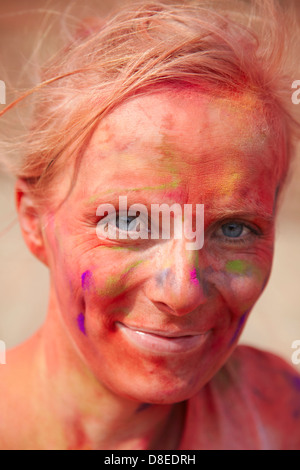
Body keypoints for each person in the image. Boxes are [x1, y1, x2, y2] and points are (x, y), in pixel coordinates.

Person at [0, 0, 299, 450]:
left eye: (233, 229)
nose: (182, 292)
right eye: (128, 220)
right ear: (33, 222)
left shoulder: (283, 416)